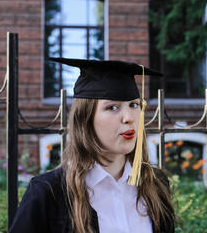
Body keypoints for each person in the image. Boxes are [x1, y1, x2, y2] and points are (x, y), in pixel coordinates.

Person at [9, 58, 175, 233]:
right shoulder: (48, 193)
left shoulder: (155, 184)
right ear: (85, 119)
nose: (129, 117)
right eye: (112, 107)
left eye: (134, 105)